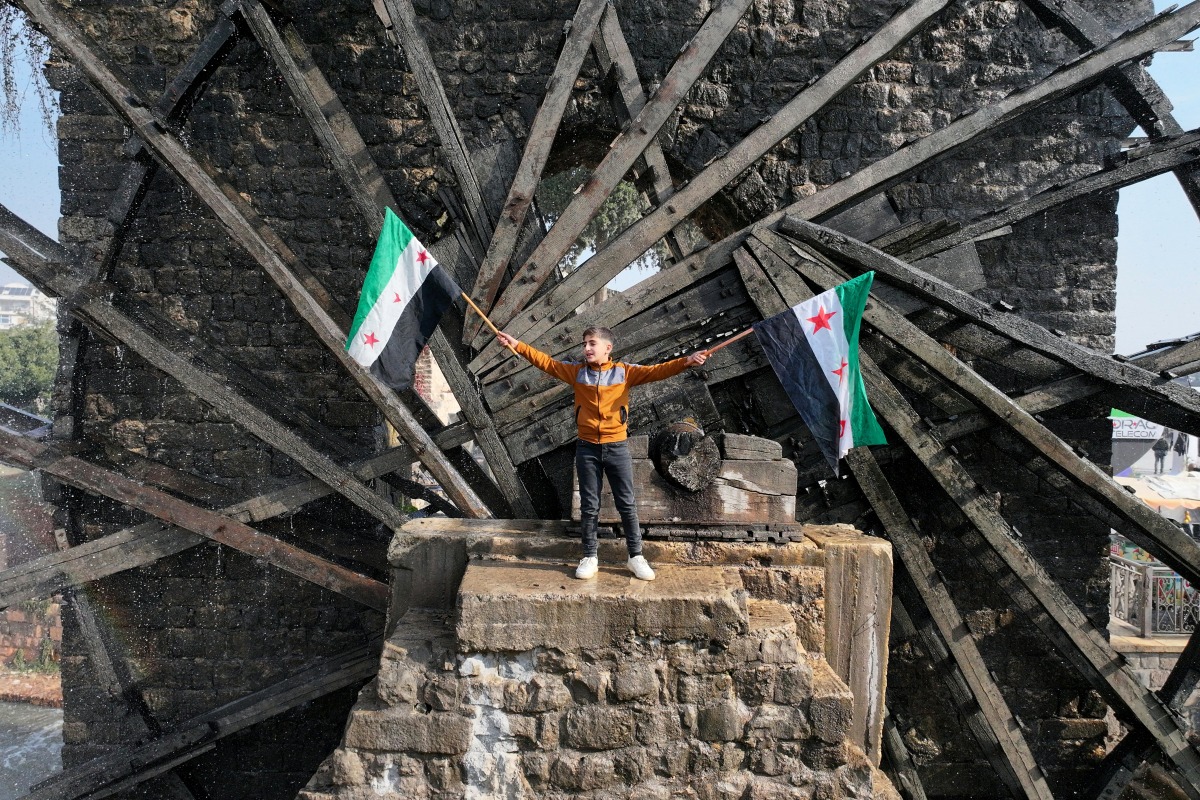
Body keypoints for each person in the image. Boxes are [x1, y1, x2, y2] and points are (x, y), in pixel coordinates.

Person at [496, 326, 708, 581]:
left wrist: (687, 361)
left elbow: (658, 371)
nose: (586, 348)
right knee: (589, 505)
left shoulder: (624, 372)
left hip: (617, 447)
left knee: (626, 504)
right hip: (587, 447)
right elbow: (546, 363)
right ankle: (589, 557)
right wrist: (517, 344)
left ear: (608, 348)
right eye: (584, 343)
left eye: (592, 343)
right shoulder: (577, 373)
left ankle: (635, 556)